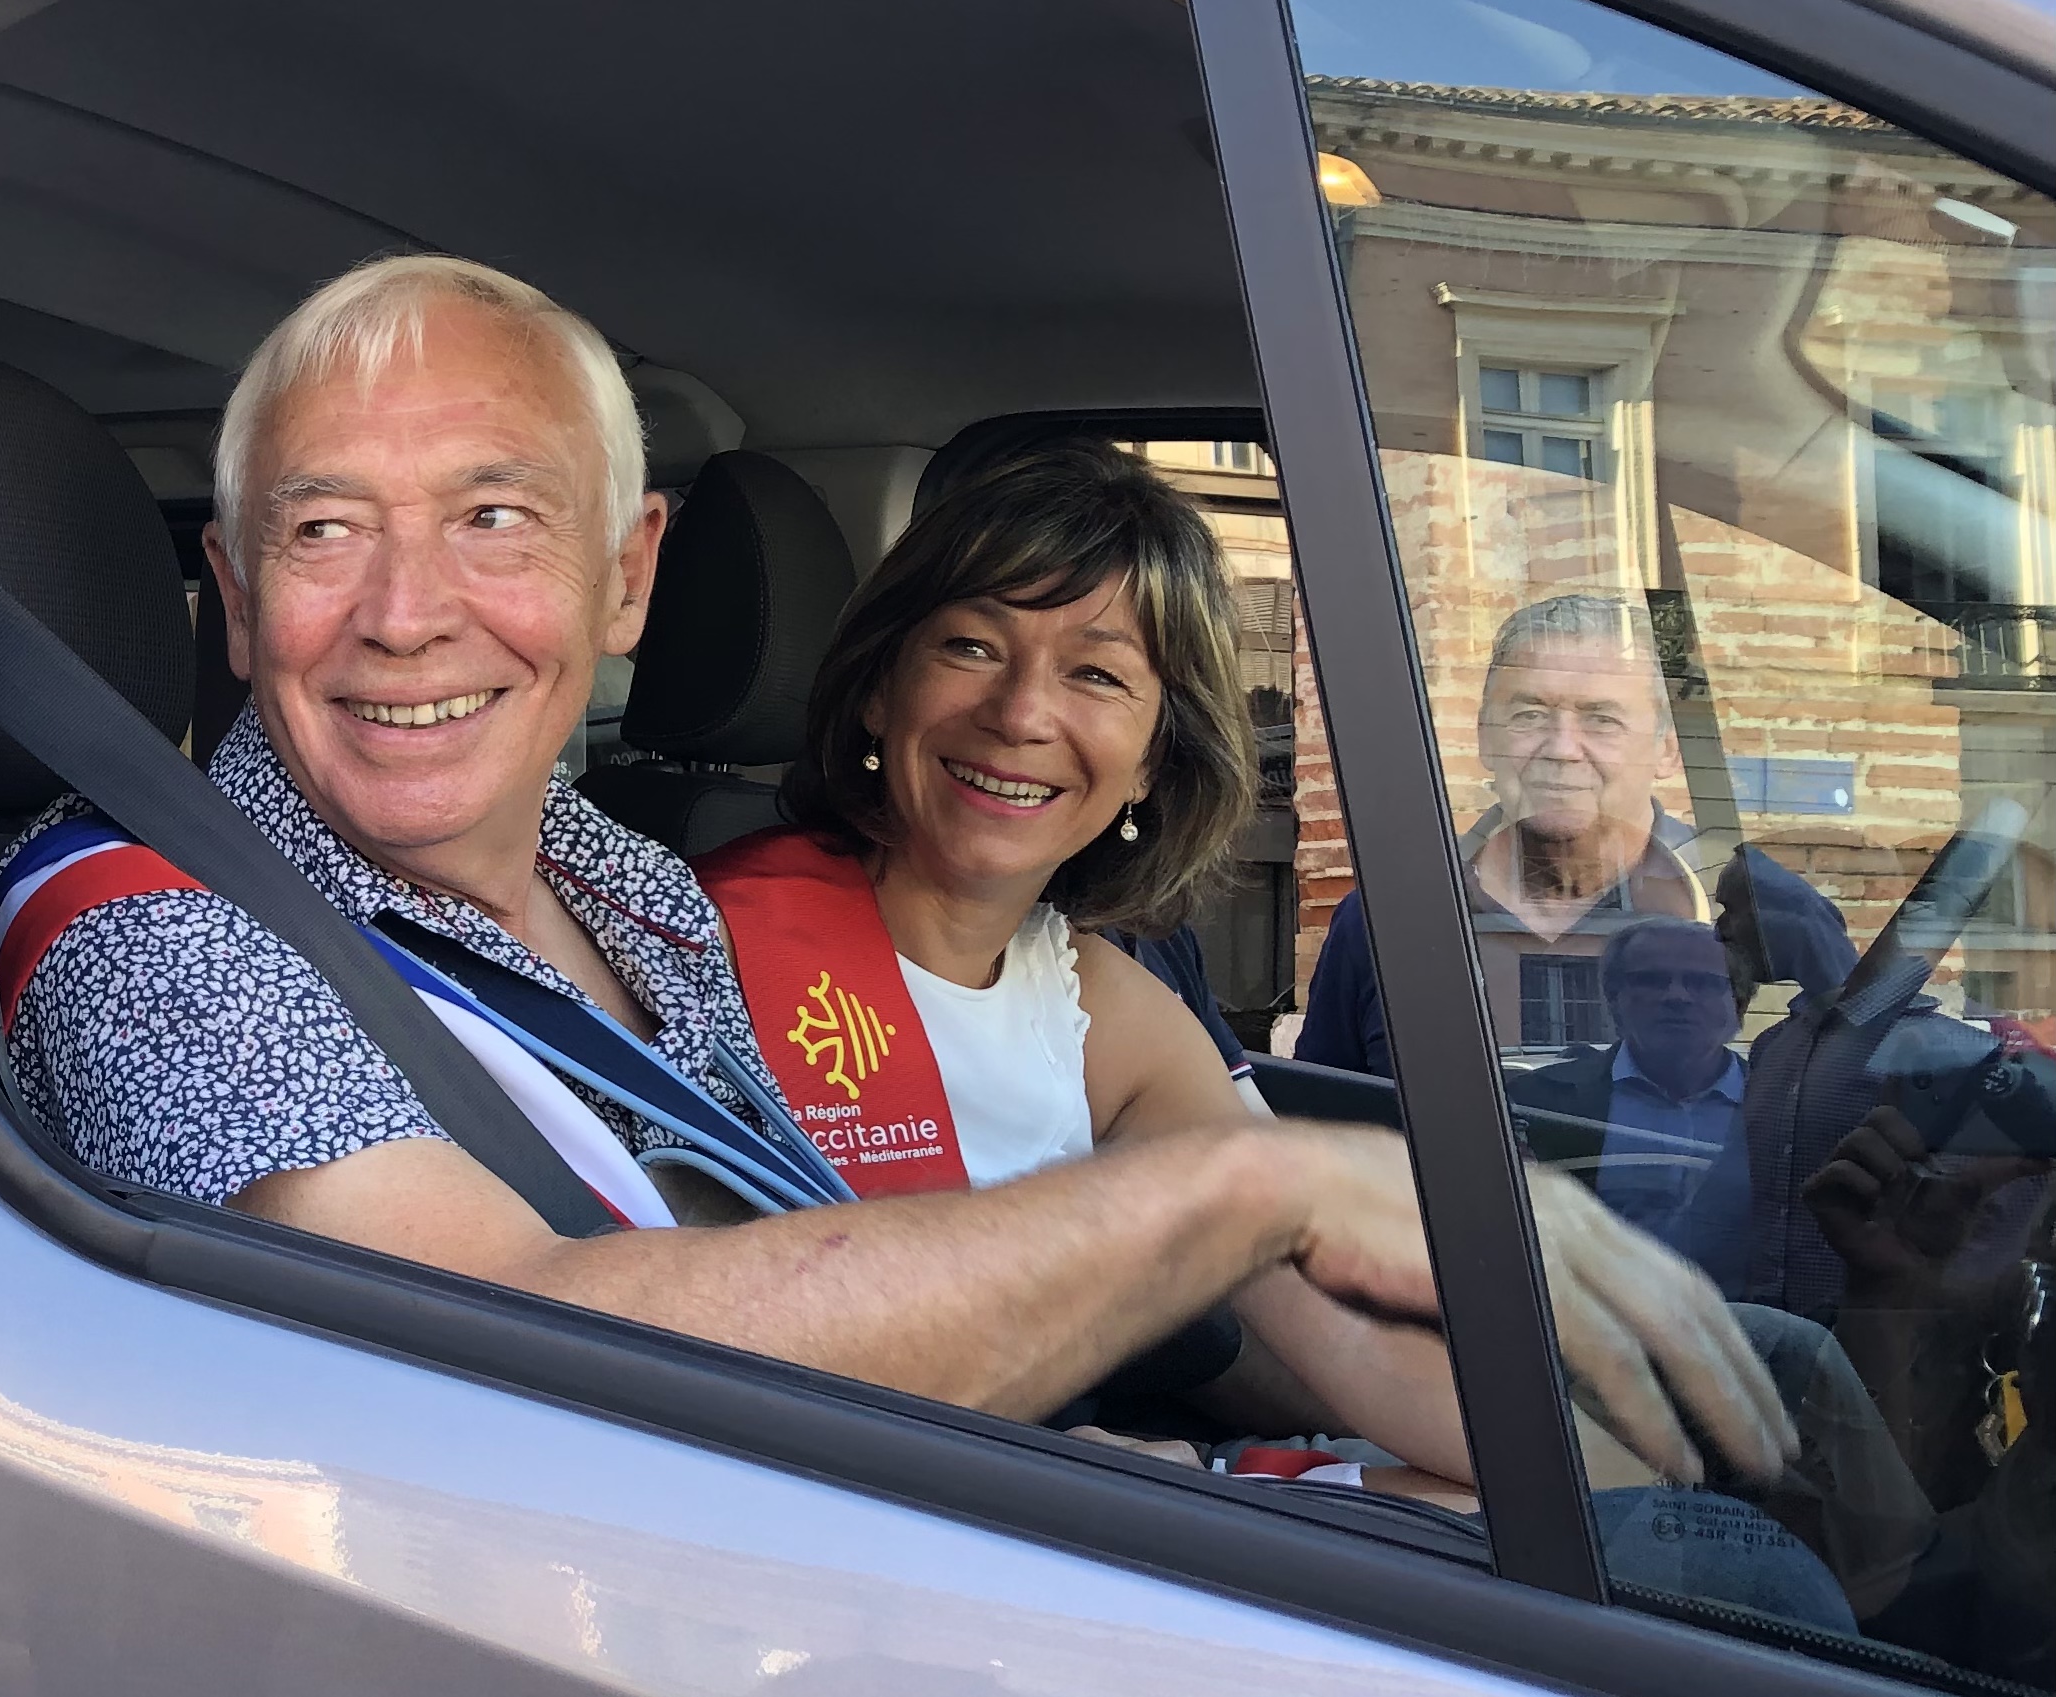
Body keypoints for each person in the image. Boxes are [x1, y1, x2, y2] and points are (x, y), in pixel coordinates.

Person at [0, 251, 1790, 1483]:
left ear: (626, 581)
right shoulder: (145, 930)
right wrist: (1237, 1198)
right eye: (323, 533)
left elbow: (771, 1261)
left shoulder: (622, 883)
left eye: (492, 521)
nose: (401, 614)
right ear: (232, 602)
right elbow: (528, 1369)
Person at [691, 442, 1768, 1489]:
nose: (1021, 713)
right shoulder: (697, 946)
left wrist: (1639, 1500)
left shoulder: (1098, 1007)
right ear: (881, 689)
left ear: (1157, 758)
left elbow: (1344, 1333)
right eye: (971, 646)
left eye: (1098, 674)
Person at [1296, 593, 1850, 1076]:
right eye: (1530, 714)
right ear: (1485, 738)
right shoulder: (1391, 920)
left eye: (1601, 719)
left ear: (1666, 749)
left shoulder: (1759, 911)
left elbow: (1837, 1108)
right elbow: (1324, 1138)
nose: (1561, 748)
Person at [1506, 916, 1755, 1292]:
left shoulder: (1782, 1102)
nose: (1677, 996)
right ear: (1613, 999)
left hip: (1755, 1330)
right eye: (1652, 980)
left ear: (1738, 1004)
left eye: (1701, 982)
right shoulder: (1536, 1102)